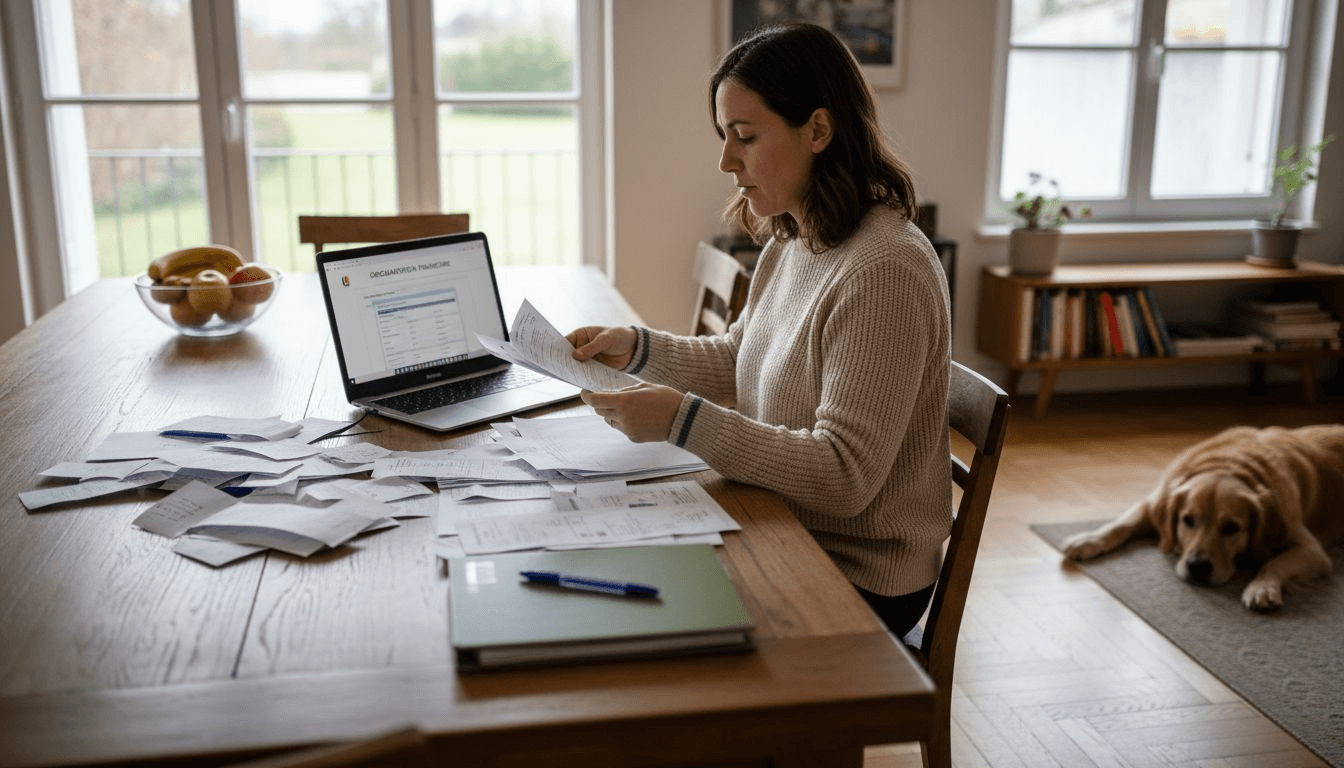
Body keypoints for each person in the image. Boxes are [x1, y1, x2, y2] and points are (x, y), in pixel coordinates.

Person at [567, 22, 951, 639]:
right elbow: (739, 358)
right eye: (724, 137)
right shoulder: (796, 237)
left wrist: (680, 421)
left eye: (744, 136)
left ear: (819, 130)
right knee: (604, 565)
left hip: (859, 574)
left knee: (628, 616)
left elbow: (845, 476)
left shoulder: (885, 271)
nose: (725, 160)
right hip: (784, 522)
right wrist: (635, 349)